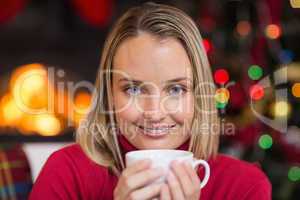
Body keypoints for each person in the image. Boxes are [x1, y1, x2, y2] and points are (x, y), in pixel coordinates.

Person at [29, 2, 271, 200]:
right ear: (109, 96)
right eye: (133, 89)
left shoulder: (245, 188)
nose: (154, 113)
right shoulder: (67, 173)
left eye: (176, 89)